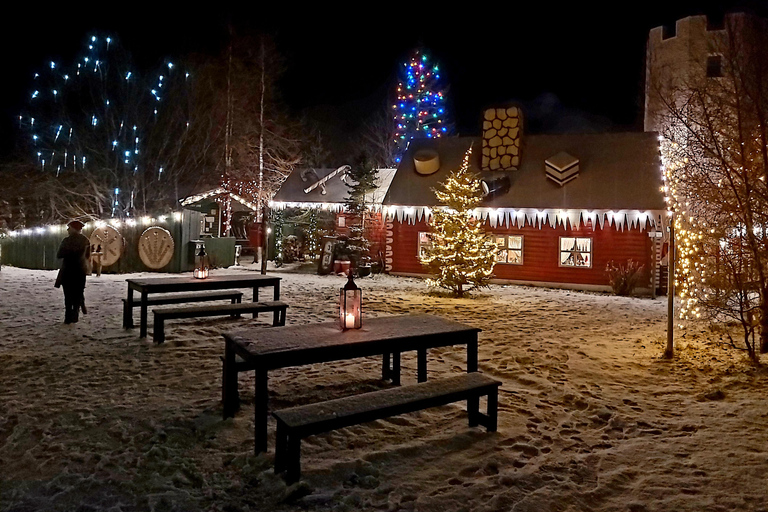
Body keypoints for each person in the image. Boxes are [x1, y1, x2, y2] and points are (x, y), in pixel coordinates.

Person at [56, 220, 91, 324]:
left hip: (68, 270)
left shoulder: (67, 241)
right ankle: (75, 314)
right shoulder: (86, 240)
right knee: (78, 292)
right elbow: (88, 255)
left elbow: (59, 254)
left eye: (69, 227)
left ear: (74, 228)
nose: (67, 230)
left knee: (68, 294)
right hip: (80, 270)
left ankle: (68, 316)